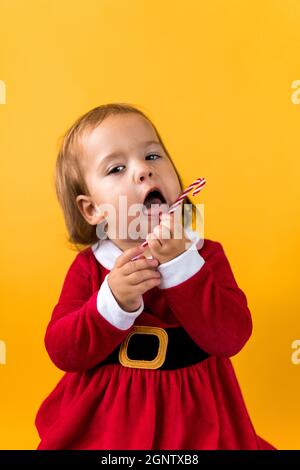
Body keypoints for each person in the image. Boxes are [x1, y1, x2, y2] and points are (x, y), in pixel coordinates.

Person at [35, 103, 276, 450]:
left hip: (197, 420)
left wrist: (182, 266)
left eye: (152, 156)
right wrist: (111, 303)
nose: (143, 172)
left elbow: (231, 338)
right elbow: (63, 351)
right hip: (110, 423)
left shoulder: (205, 255)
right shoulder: (91, 267)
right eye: (117, 168)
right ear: (91, 209)